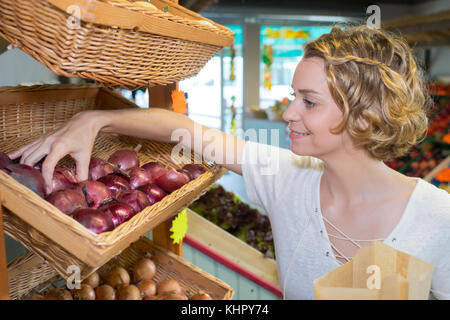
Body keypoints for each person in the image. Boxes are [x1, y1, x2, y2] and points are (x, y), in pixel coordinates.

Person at [9, 24, 450, 299]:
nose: (289, 113)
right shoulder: (288, 179)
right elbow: (183, 130)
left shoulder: (435, 217)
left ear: (366, 118)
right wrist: (95, 120)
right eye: (294, 96)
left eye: (309, 102)